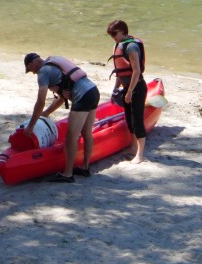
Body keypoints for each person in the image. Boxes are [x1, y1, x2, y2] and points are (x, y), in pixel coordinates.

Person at [23, 53, 100, 183]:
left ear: (31, 64)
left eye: (30, 70)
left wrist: (31, 126)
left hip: (82, 96)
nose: (32, 73)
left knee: (71, 137)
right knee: (86, 133)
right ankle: (85, 168)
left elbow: (40, 101)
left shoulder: (43, 73)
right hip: (93, 91)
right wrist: (47, 113)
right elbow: (61, 97)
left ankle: (68, 174)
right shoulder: (53, 65)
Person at [107, 19, 148, 164]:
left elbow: (136, 71)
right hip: (127, 89)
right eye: (111, 34)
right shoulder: (119, 45)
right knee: (129, 120)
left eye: (114, 33)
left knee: (137, 121)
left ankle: (140, 154)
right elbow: (120, 71)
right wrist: (116, 88)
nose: (113, 37)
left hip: (137, 88)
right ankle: (132, 147)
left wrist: (130, 91)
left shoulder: (131, 47)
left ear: (123, 31)